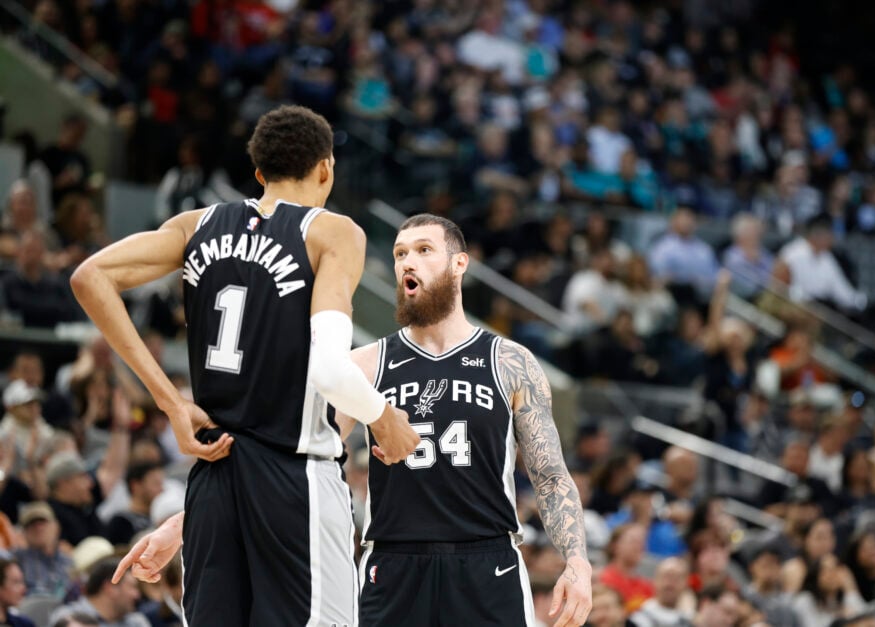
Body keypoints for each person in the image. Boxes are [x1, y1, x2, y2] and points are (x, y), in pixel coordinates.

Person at [115, 214, 593, 626]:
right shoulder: (363, 366)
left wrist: (577, 561)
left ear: (459, 263)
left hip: (488, 563)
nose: (407, 262)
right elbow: (282, 459)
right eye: (400, 253)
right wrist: (182, 524)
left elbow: (550, 476)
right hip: (392, 564)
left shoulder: (509, 361)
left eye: (424, 250)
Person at [70, 105, 418, 626]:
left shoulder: (196, 225)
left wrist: (171, 403)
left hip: (213, 480)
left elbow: (89, 276)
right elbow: (330, 369)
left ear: (258, 173)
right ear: (326, 168)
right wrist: (385, 418)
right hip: (295, 477)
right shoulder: (331, 232)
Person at [48, 557, 148, 627]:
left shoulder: (136, 622)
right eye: (132, 587)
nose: (137, 595)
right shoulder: (68, 619)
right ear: (110, 588)